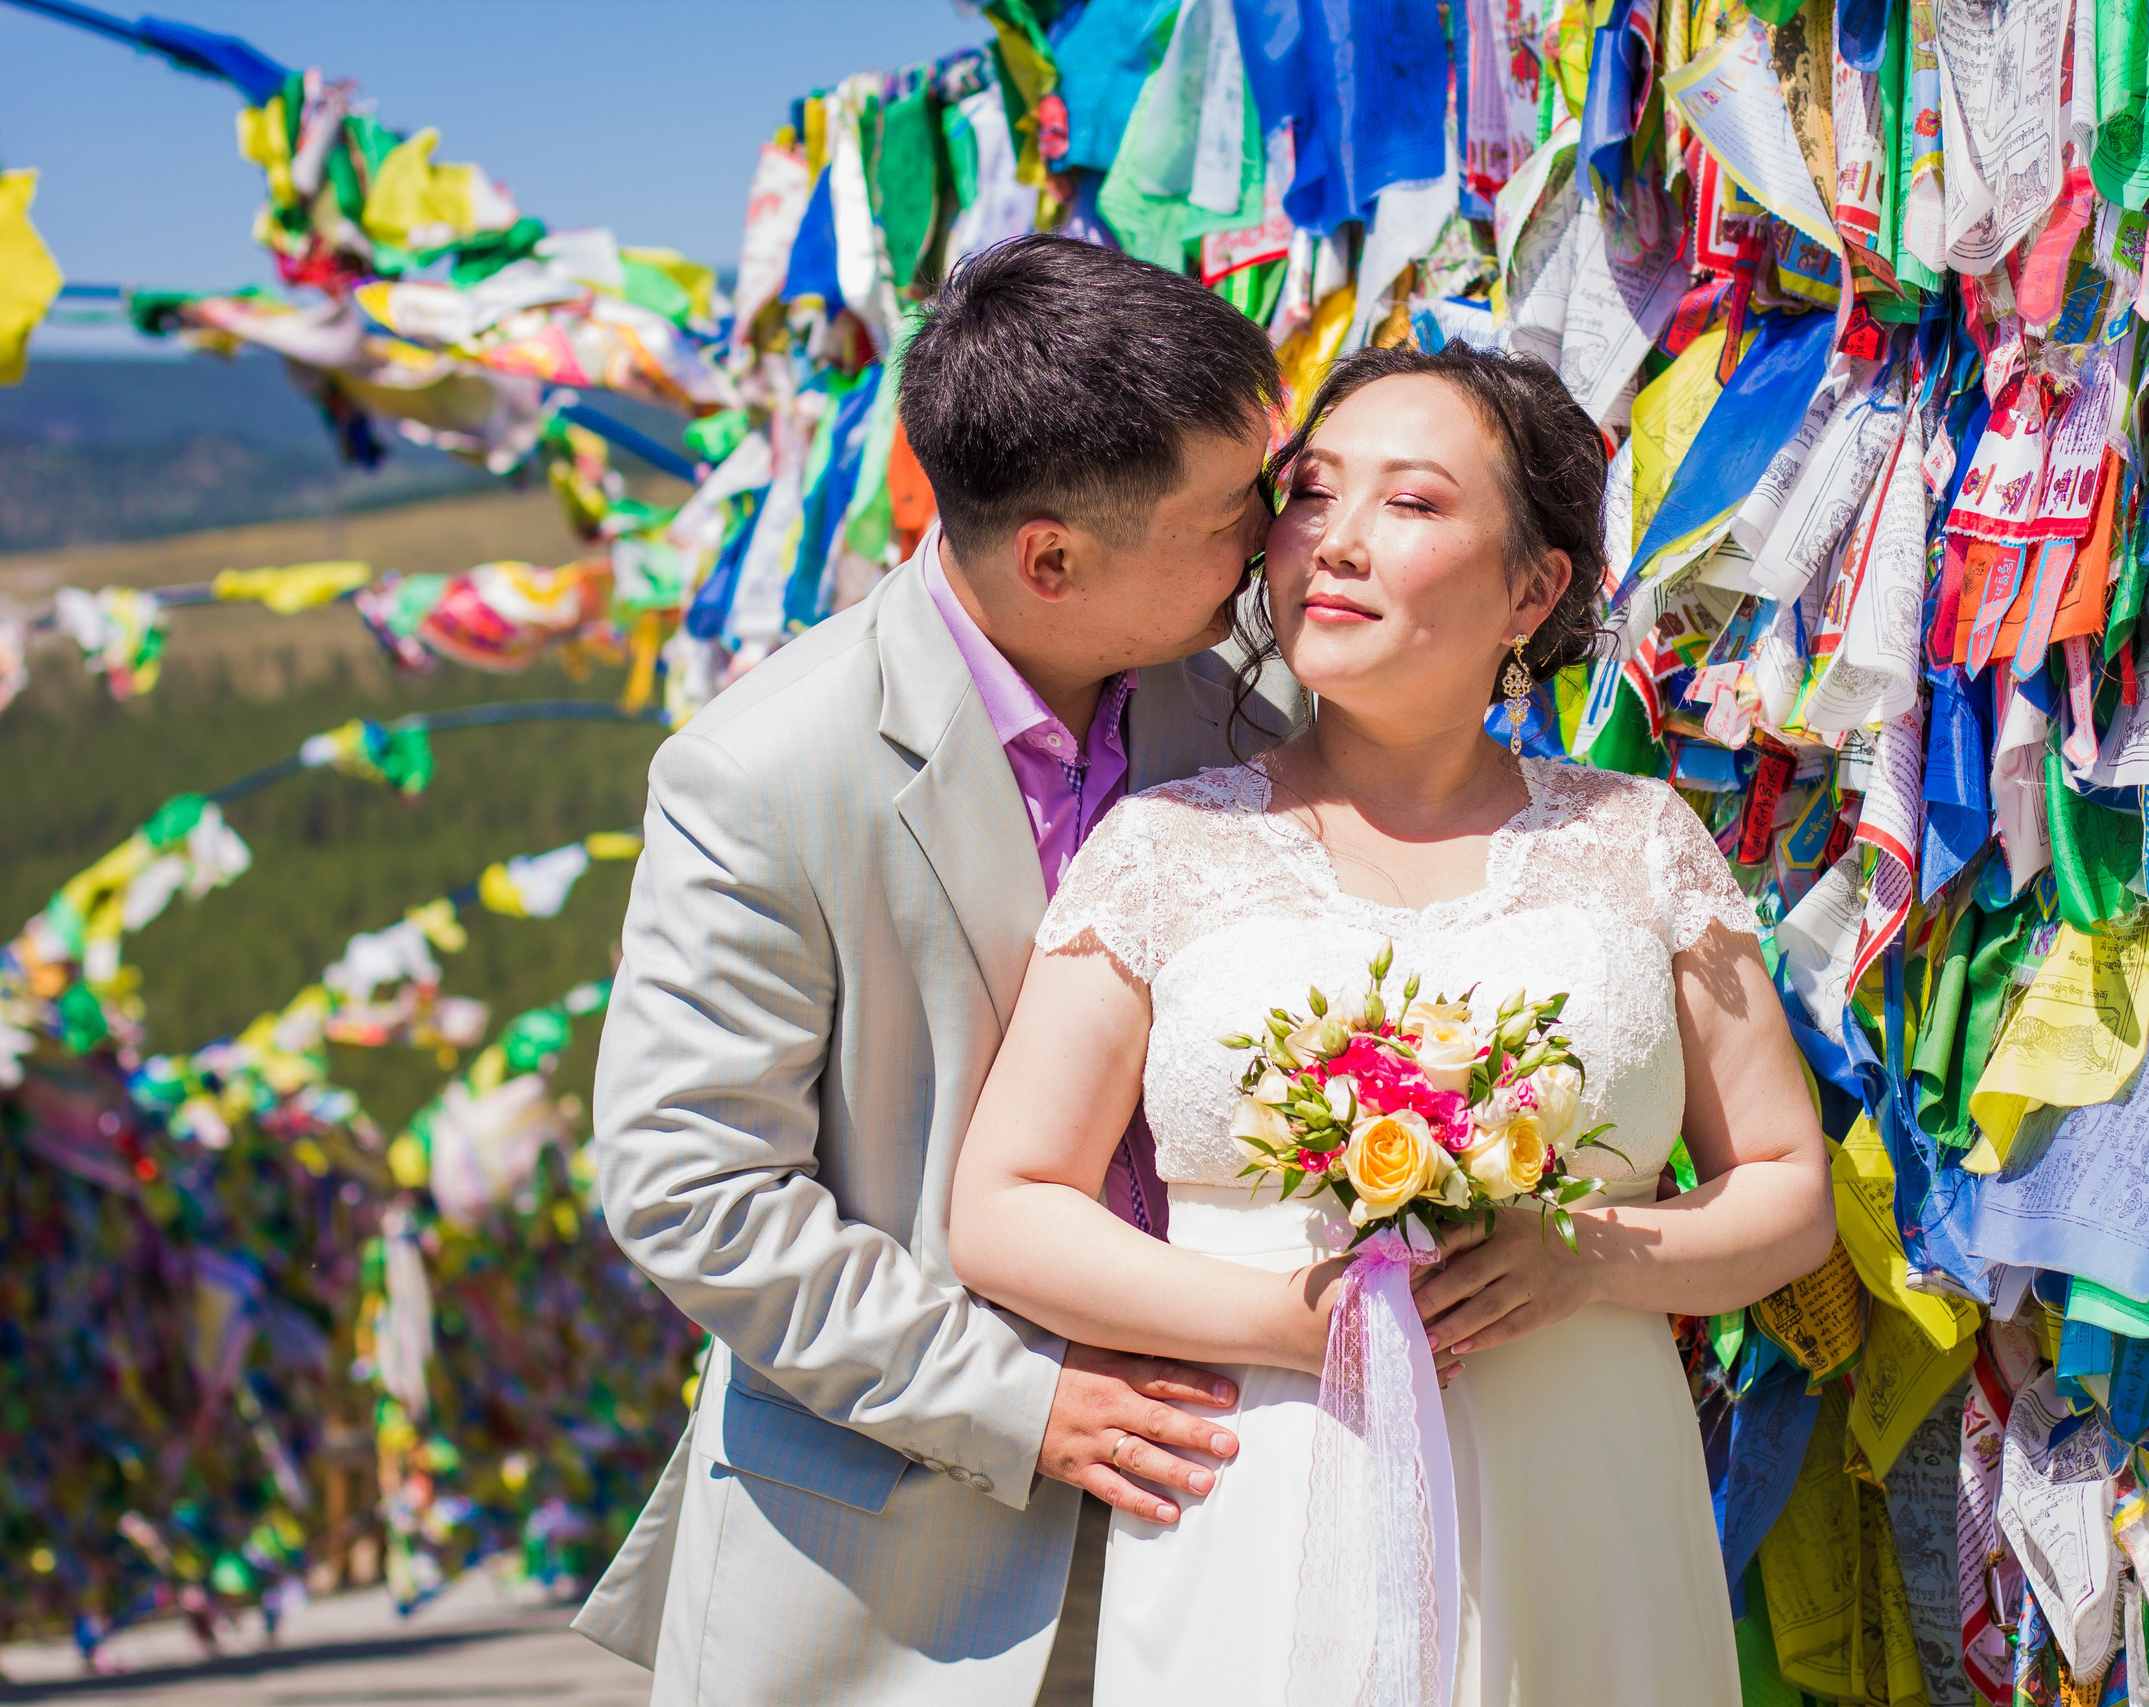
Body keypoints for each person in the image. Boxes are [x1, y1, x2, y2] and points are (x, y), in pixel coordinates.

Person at [949, 344, 1838, 1703]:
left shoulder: (1638, 839)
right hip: (1262, 1489)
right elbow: (1006, 1205)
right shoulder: (1165, 845)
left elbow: (1787, 1194)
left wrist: (1590, 1259)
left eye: (1412, 504)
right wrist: (1280, 1321)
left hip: (1585, 1500)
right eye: (1310, 493)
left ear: (1534, 589)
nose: (1337, 541)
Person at [573, 234, 1302, 1704]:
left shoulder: (1252, 710)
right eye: (1237, 511)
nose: (1276, 540)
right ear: (1052, 558)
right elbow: (691, 1191)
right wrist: (1023, 1405)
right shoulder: (763, 768)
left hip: (1232, 1530)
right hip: (888, 1577)